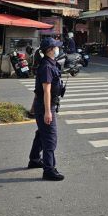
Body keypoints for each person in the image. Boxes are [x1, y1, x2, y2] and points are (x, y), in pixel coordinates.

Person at [27, 38, 65, 181]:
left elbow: (38, 92)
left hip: (42, 105)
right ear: (50, 50)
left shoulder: (49, 64)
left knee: (41, 133)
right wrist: (48, 111)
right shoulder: (47, 67)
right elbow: (46, 91)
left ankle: (35, 159)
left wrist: (33, 108)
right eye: (56, 47)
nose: (57, 49)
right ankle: (49, 170)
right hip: (45, 106)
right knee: (50, 138)